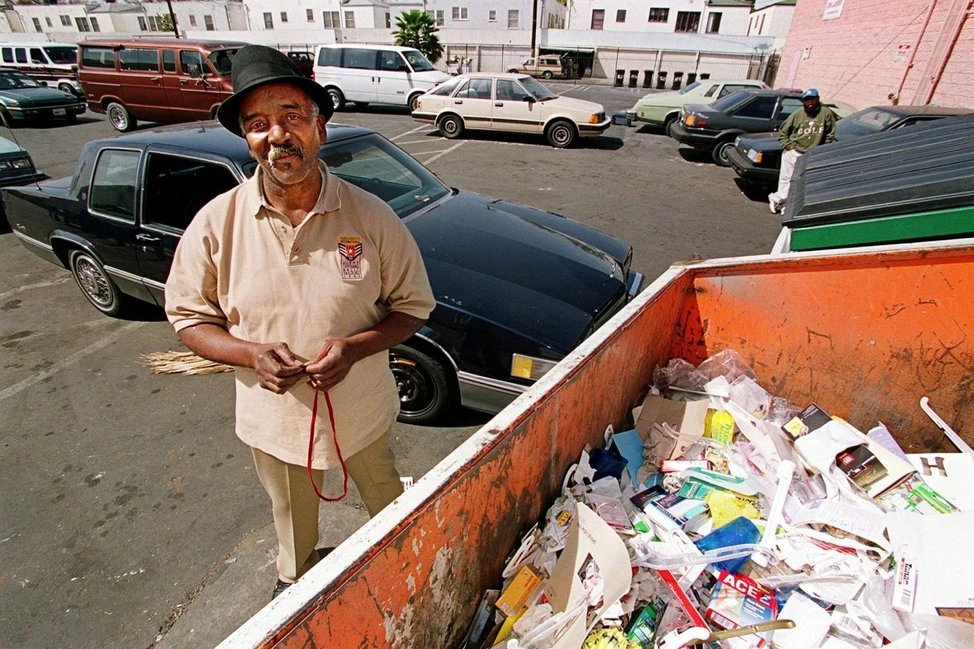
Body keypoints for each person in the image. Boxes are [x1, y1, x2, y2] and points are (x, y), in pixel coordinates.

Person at [164, 45, 436, 599]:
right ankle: (294, 586)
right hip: (275, 422)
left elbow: (413, 307)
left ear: (321, 127)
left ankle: (408, 564)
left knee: (385, 497)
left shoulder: (372, 216)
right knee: (290, 519)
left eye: (292, 116)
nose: (278, 135)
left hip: (362, 406)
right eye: (258, 124)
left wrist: (355, 348)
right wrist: (249, 354)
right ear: (247, 140)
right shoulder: (217, 221)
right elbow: (188, 317)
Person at [768, 88, 838, 214]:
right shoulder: (798, 114)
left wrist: (821, 149)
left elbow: (830, 134)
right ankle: (777, 199)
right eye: (806, 100)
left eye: (812, 99)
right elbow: (783, 132)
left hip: (811, 154)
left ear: (817, 99)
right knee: (787, 179)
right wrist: (788, 146)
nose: (809, 102)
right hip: (794, 151)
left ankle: (788, 205)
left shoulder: (826, 113)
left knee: (801, 182)